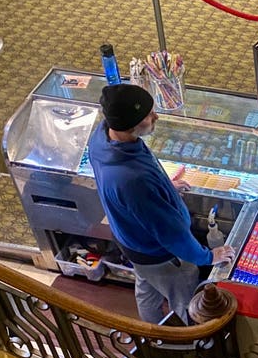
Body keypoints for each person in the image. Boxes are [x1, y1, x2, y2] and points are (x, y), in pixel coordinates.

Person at [88, 84, 235, 324]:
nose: (155, 116)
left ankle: (151, 332)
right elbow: (171, 234)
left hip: (133, 243)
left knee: (147, 287)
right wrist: (207, 257)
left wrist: (165, 187)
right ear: (130, 125)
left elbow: (144, 174)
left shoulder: (104, 136)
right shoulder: (133, 180)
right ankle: (197, 345)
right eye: (148, 115)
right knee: (188, 299)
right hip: (161, 255)